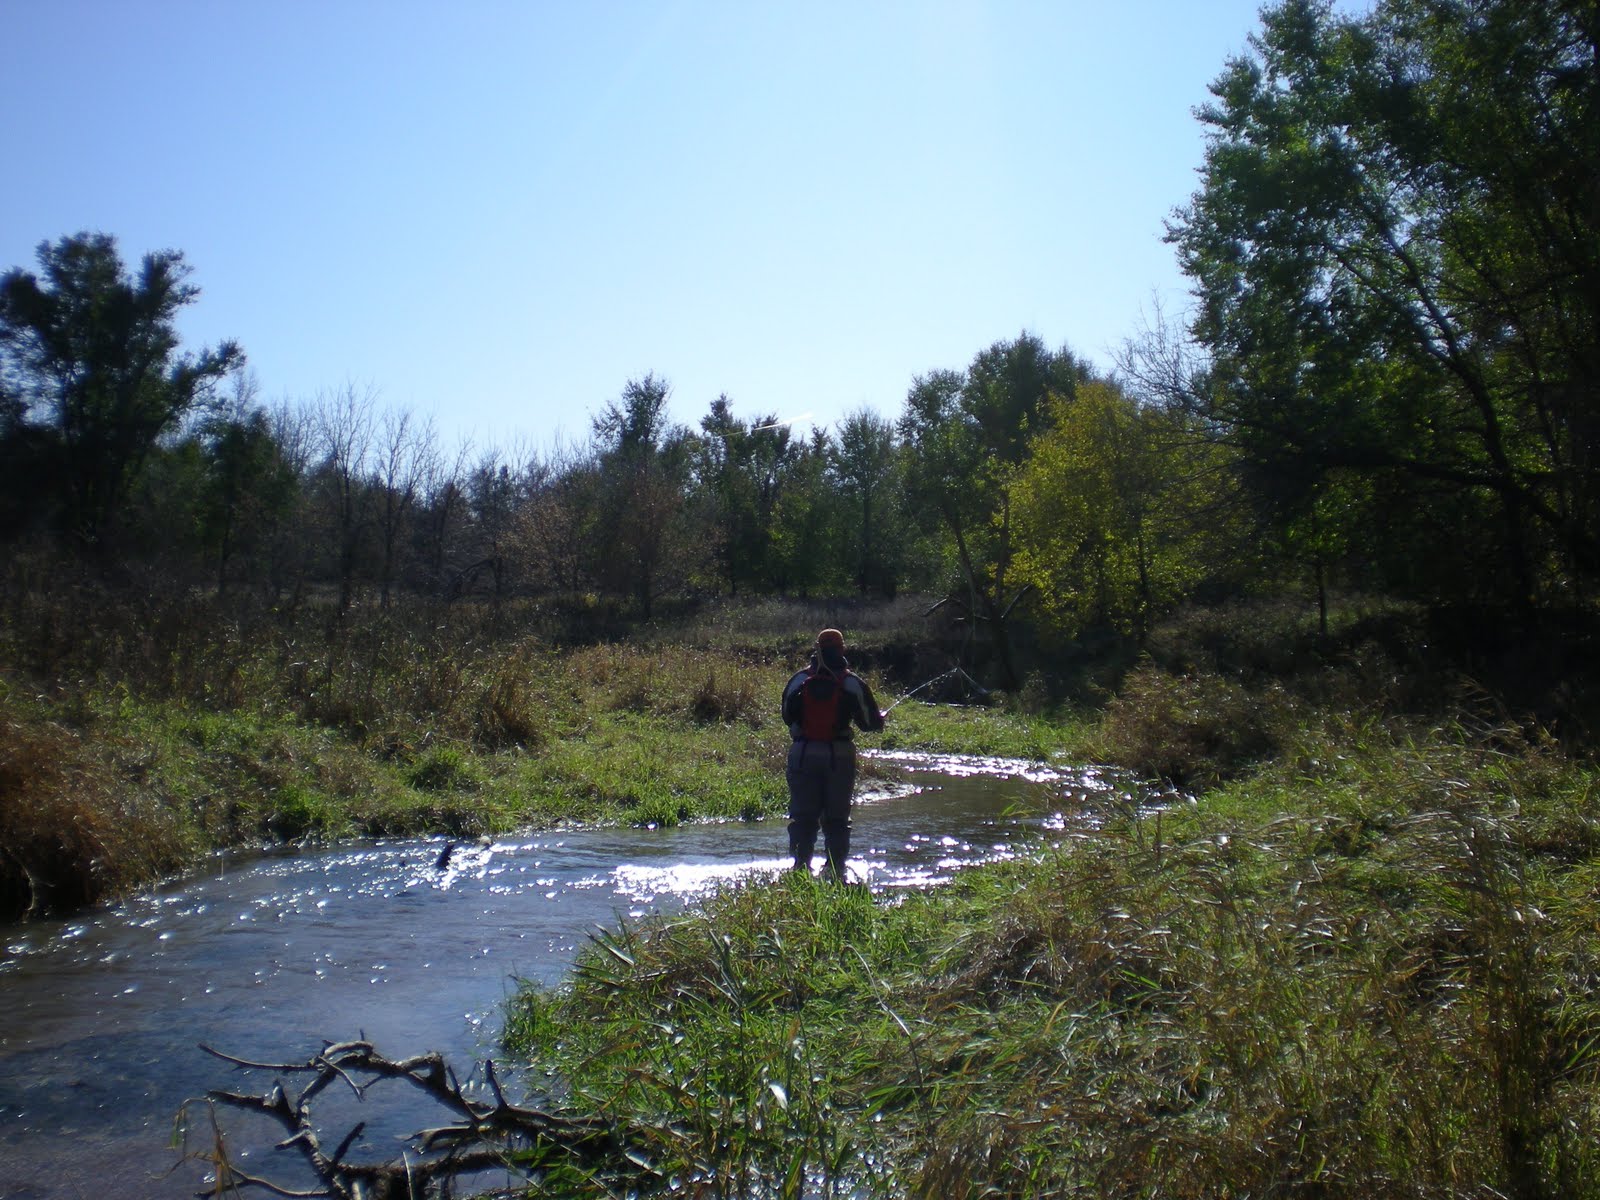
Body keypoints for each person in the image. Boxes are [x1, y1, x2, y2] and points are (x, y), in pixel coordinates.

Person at [781, 627, 886, 881]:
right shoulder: (851, 682)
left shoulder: (798, 680)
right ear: (841, 650)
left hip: (803, 753)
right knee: (837, 819)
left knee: (802, 817)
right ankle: (836, 871)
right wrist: (880, 719)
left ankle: (800, 869)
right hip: (839, 756)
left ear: (816, 648)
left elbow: (786, 716)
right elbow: (870, 724)